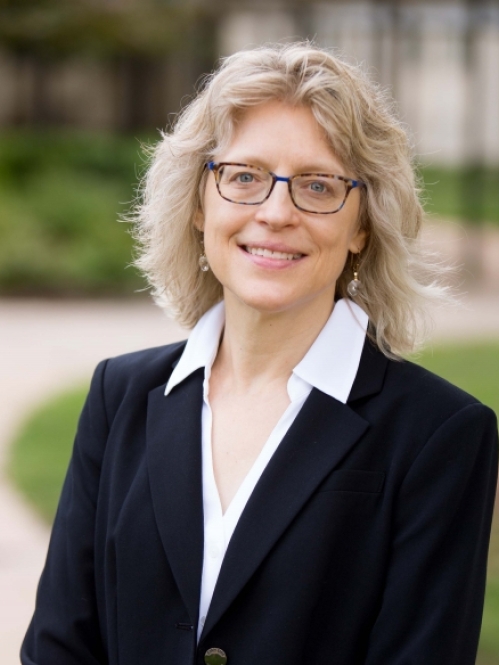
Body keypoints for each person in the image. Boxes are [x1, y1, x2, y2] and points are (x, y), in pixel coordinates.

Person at [22, 43, 498, 665]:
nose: (275, 213)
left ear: (362, 224)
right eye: (244, 176)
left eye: (318, 185)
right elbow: (60, 647)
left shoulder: (441, 435)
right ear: (199, 203)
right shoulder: (120, 395)